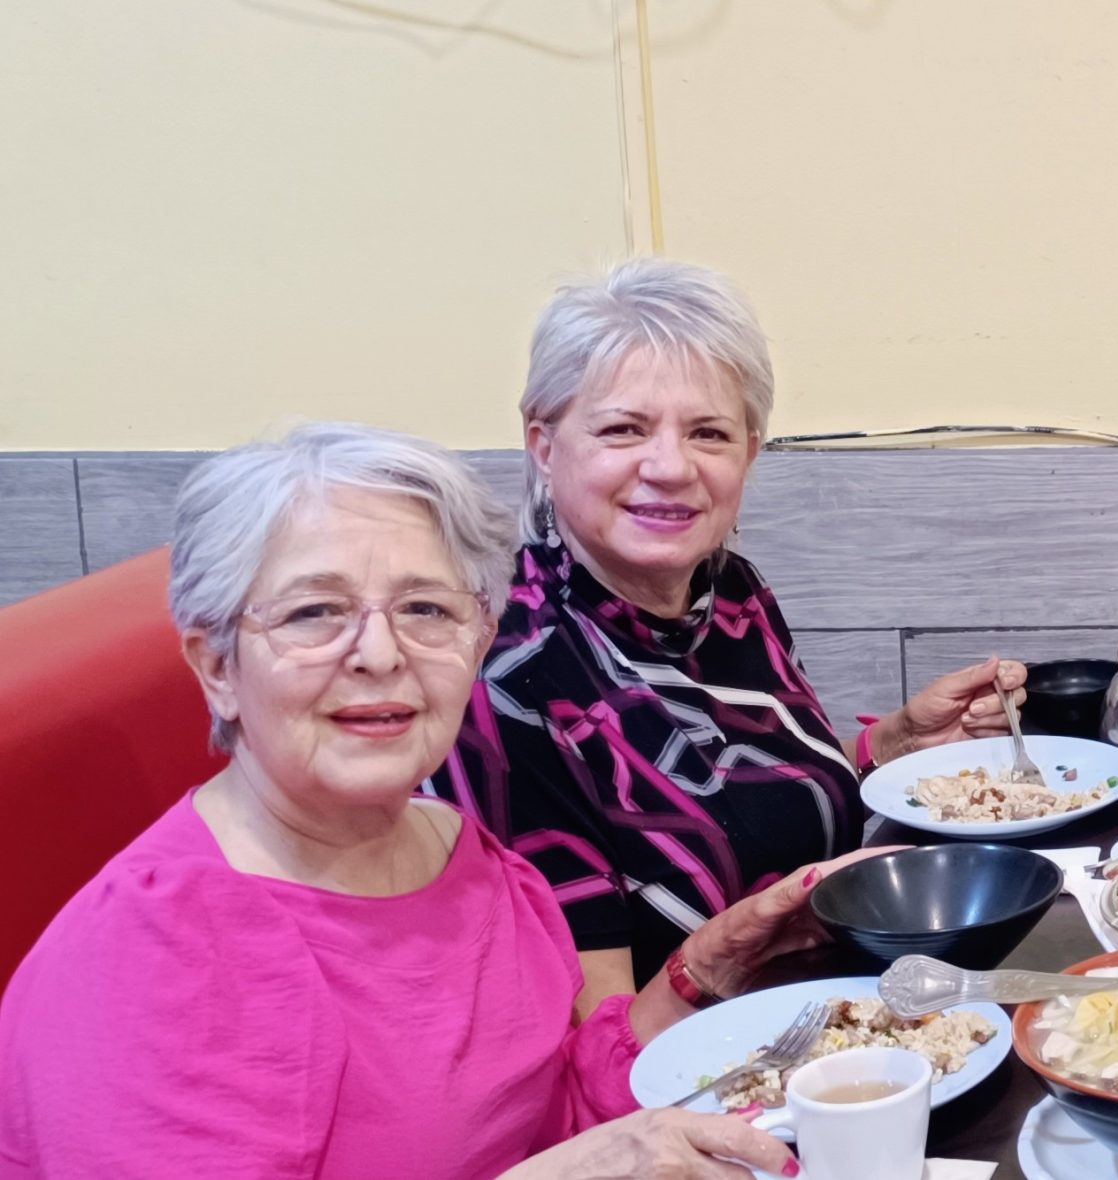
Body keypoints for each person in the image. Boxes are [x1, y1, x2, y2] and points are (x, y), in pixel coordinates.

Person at [0, 423, 865, 1177]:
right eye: (314, 613)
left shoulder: (461, 848)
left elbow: (553, 1103)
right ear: (218, 665)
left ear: (479, 639)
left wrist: (702, 969)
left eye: (424, 609)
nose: (379, 653)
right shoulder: (156, 954)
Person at [427, 259, 1024, 1013]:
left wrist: (895, 743)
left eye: (708, 432)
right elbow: (594, 1040)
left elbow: (746, 807)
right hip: (694, 1092)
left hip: (844, 1016)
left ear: (749, 449)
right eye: (623, 428)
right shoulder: (507, 678)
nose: (671, 467)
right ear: (545, 447)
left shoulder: (729, 591)